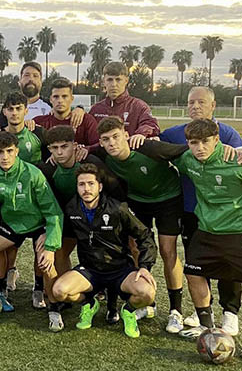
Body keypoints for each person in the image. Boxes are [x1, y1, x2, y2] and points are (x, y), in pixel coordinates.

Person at [172, 119, 242, 360]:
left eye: (205, 142)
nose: (200, 148)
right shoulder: (188, 160)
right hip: (208, 230)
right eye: (194, 143)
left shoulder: (240, 161)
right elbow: (164, 153)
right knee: (192, 273)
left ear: (217, 140)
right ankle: (208, 327)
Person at [159, 86, 242, 333]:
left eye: (201, 102)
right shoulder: (174, 133)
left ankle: (230, 313)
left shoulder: (226, 132)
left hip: (227, 215)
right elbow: (157, 146)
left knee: (228, 264)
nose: (195, 107)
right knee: (197, 263)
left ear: (213, 106)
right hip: (192, 210)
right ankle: (203, 311)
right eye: (191, 102)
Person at [92, 115, 189, 333]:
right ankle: (148, 303)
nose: (112, 143)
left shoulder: (148, 148)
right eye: (106, 139)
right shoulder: (104, 156)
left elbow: (183, 149)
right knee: (135, 247)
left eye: (116, 137)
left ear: (126, 136)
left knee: (167, 250)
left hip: (168, 199)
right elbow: (84, 151)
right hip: (138, 201)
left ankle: (176, 311)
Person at [0, 132, 63, 332]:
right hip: (12, 224)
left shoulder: (32, 173)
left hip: (38, 224)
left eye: (9, 151)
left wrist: (51, 245)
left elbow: (52, 211)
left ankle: (54, 309)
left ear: (17, 151)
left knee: (46, 263)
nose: (5, 157)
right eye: (0, 152)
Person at [52, 163, 157, 337]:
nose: (86, 189)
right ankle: (89, 304)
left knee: (147, 293)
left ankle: (128, 310)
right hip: (90, 270)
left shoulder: (117, 208)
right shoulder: (71, 209)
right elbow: (58, 230)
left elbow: (145, 235)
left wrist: (145, 266)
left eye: (91, 184)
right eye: (81, 184)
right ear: (77, 187)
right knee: (59, 291)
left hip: (120, 269)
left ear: (100, 187)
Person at [38, 125, 126, 321]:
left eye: (64, 146)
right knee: (58, 252)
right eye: (54, 148)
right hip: (67, 218)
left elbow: (115, 191)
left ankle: (117, 301)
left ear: (74, 145)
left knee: (107, 257)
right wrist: (48, 230)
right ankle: (72, 296)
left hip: (98, 219)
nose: (60, 152)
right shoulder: (50, 168)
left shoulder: (91, 163)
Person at [0, 91, 50, 306]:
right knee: (8, 245)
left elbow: (52, 161)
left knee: (39, 246)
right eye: (10, 109)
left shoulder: (38, 132)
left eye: (18, 108)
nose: (14, 112)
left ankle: (38, 289)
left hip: (36, 201)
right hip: (9, 204)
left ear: (26, 110)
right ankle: (5, 280)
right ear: (4, 112)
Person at [0, 61, 86, 128]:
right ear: (19, 81)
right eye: (26, 75)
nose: (31, 79)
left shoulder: (50, 105)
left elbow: (67, 110)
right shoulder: (10, 106)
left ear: (41, 82)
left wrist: (80, 109)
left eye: (35, 76)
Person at [89, 61, 159, 140]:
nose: (114, 84)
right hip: (99, 152)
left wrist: (141, 134)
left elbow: (151, 125)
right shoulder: (96, 109)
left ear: (126, 81)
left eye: (118, 79)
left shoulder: (139, 106)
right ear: (104, 81)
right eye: (109, 80)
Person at [34, 78, 99, 149]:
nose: (60, 100)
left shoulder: (86, 120)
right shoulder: (39, 123)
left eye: (64, 96)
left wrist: (86, 149)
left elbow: (98, 144)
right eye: (56, 97)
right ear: (50, 99)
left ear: (72, 98)